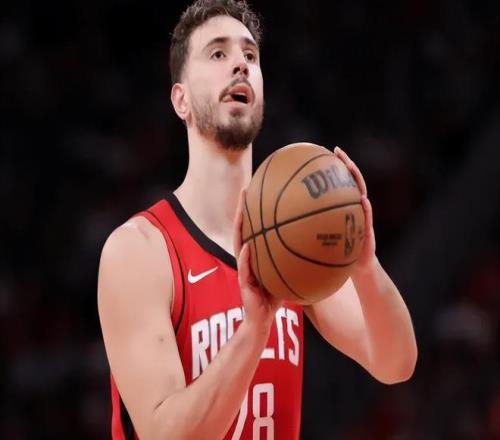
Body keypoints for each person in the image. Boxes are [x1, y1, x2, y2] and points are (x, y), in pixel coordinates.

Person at [97, 1, 418, 439]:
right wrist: (254, 330)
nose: (240, 65)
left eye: (250, 55)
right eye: (218, 53)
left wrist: (365, 266)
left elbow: (396, 363)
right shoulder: (139, 251)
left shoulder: (292, 237)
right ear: (181, 100)